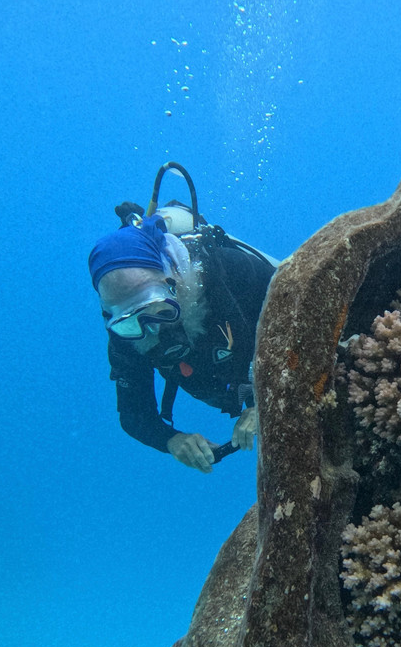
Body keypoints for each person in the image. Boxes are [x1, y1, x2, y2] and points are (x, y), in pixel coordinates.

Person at [88, 199, 276, 473]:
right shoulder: (125, 336)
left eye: (157, 310)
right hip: (230, 384)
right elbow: (134, 415)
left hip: (267, 367)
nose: (152, 330)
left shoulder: (225, 270)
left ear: (172, 281)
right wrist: (172, 440)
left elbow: (300, 314)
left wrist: (268, 399)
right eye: (131, 323)